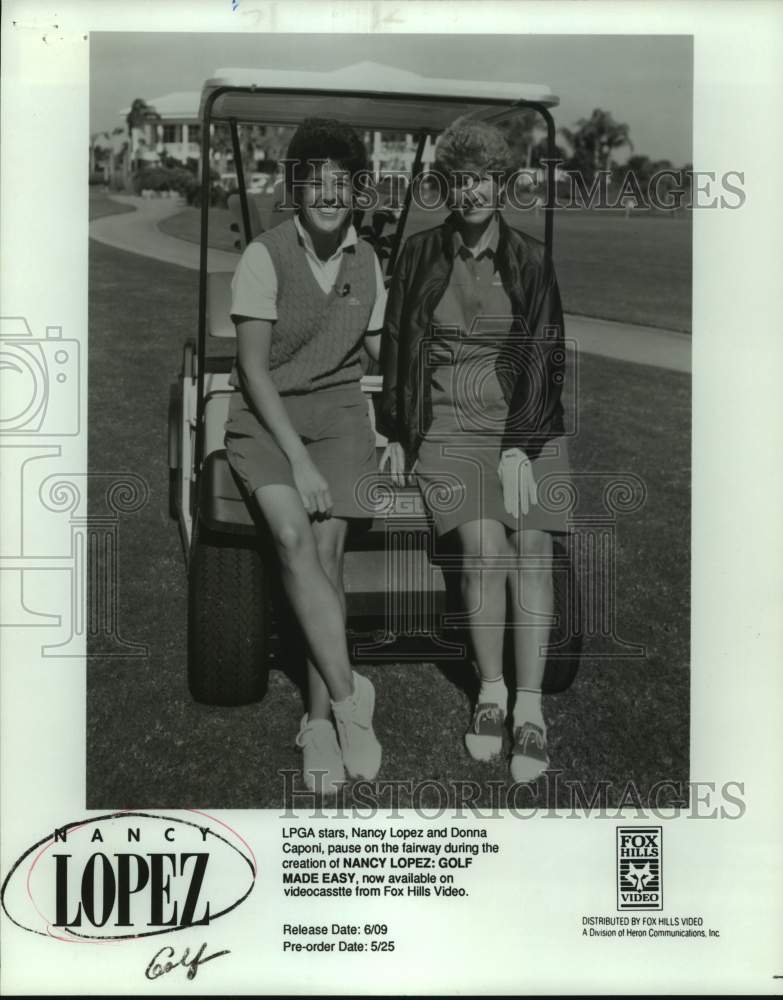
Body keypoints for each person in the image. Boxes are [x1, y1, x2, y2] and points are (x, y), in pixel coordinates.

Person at [378, 117, 572, 783]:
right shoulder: (417, 254)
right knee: (485, 547)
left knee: (534, 547)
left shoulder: (529, 260)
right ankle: (490, 694)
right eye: (458, 180)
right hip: (449, 428)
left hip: (524, 426)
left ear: (502, 185)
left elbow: (544, 358)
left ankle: (530, 708)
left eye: (482, 179)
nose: (470, 192)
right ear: (444, 186)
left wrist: (520, 446)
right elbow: (399, 347)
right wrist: (397, 432)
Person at [224, 118, 385, 795]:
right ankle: (353, 703)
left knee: (326, 556)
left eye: (340, 182)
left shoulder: (369, 262)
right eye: (313, 180)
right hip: (266, 420)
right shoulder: (264, 255)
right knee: (292, 536)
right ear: (296, 188)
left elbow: (378, 355)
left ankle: (318, 724)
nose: (327, 193)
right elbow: (255, 373)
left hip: (341, 417)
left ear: (356, 192)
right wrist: (299, 461)